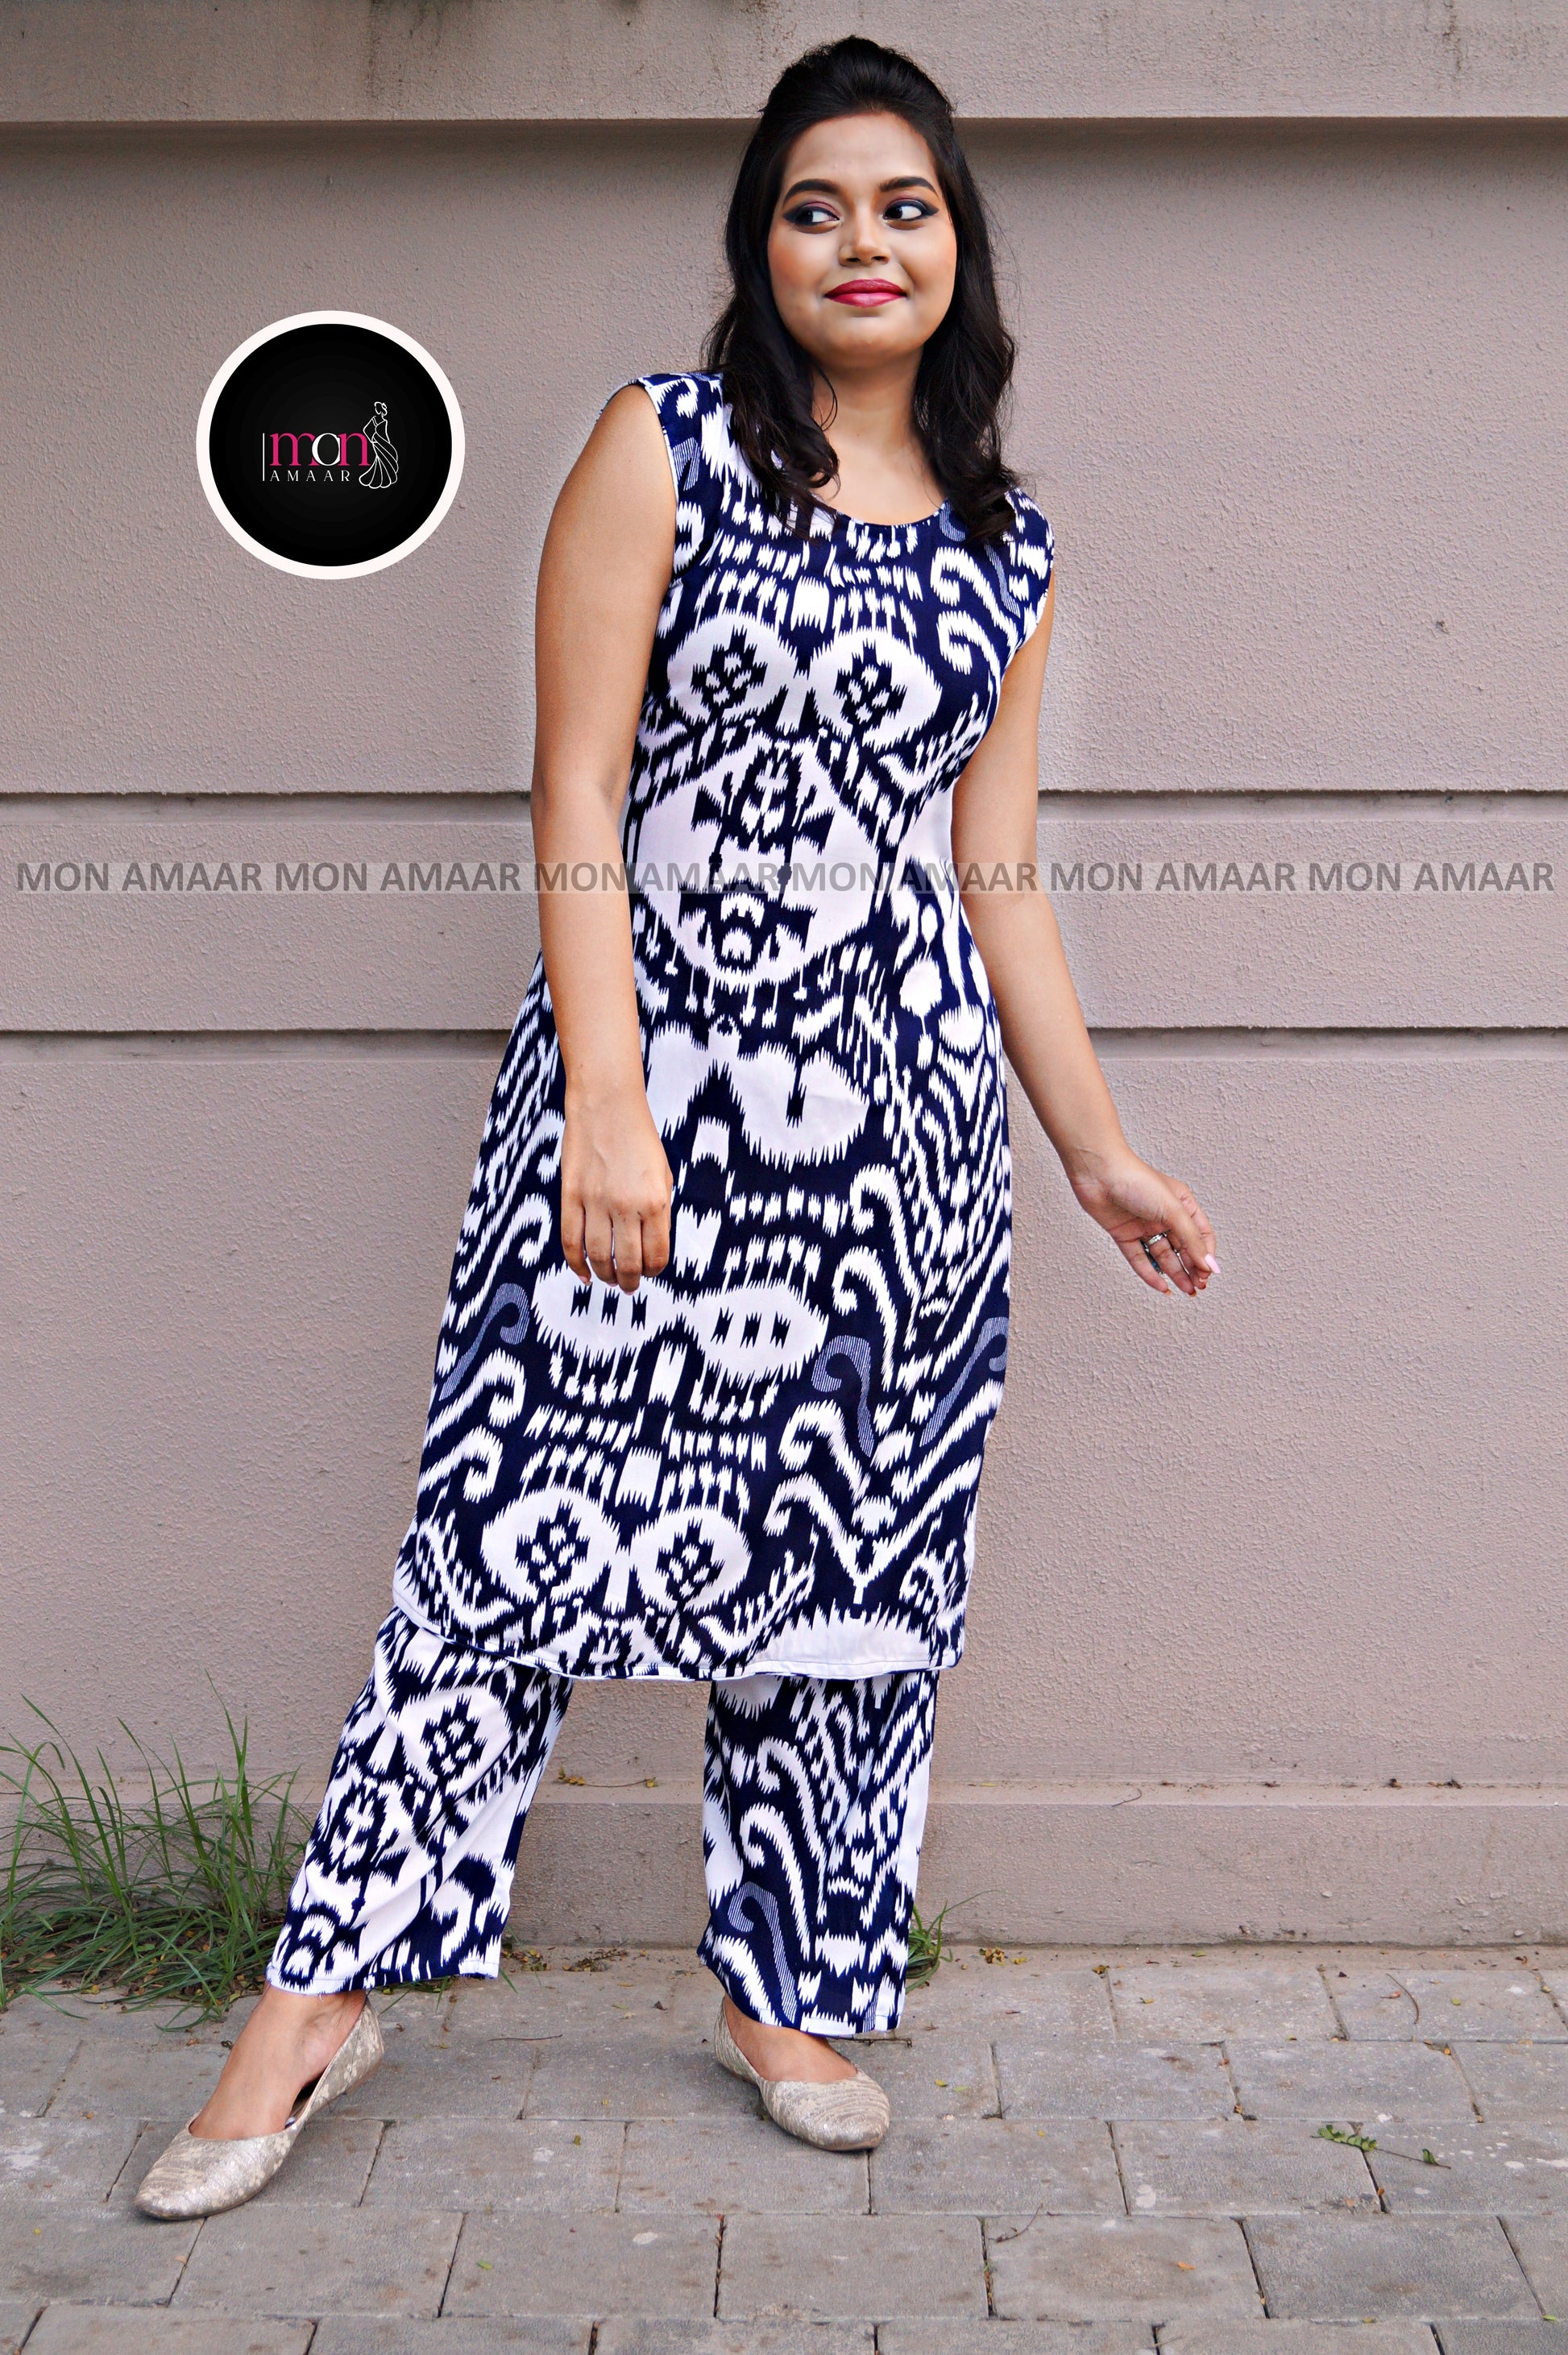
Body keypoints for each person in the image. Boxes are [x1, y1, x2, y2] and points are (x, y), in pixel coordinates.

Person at [137, 34, 1217, 2221]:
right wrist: (609, 1106)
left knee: (854, 1568)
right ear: (760, 244)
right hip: (648, 1098)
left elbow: (999, 877)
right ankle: (313, 2004)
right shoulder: (666, 446)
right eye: (815, 207)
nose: (861, 242)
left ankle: (788, 1992)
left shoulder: (1005, 544)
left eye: (903, 205)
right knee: (504, 1540)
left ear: (957, 246)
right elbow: (572, 795)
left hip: (903, 1142)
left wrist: (1092, 1143)